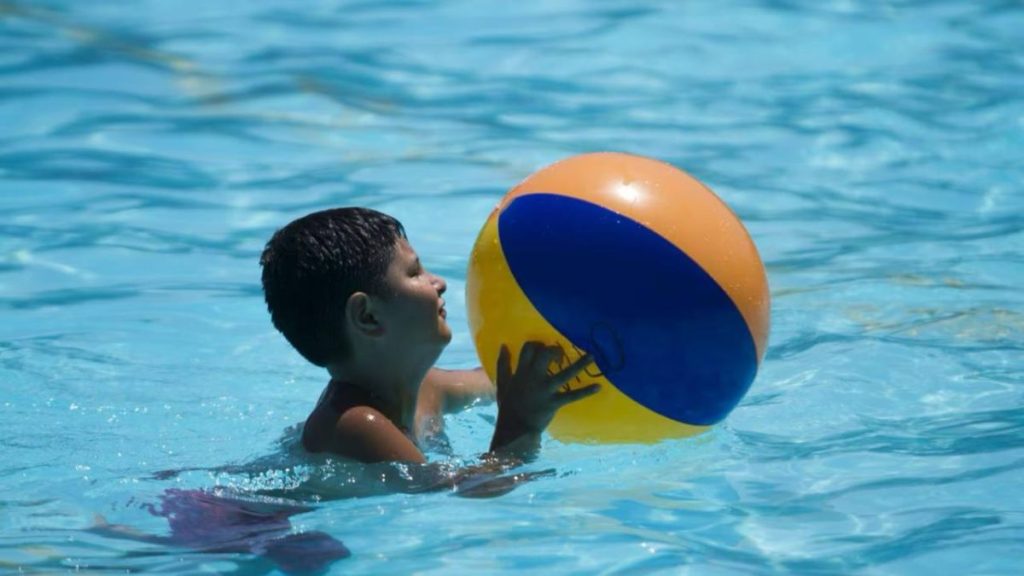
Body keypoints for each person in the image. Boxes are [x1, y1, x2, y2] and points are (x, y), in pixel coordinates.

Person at [259, 207, 600, 465]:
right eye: (414, 272)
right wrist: (521, 426)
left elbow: (506, 383)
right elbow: (468, 497)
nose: (439, 282)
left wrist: (576, 348)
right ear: (368, 317)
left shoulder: (428, 389)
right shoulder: (356, 424)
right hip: (260, 523)